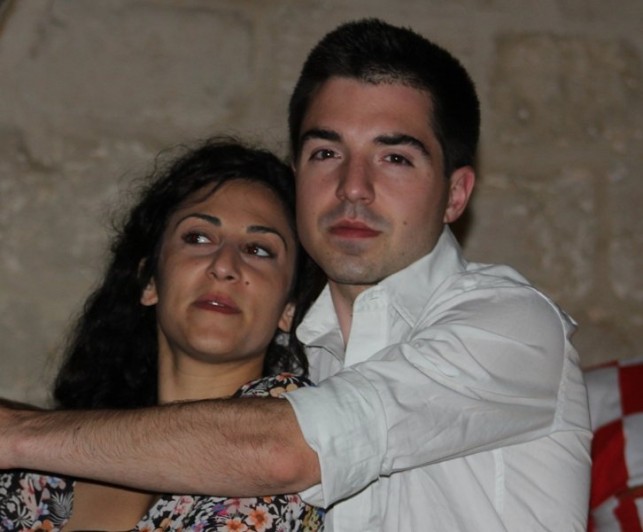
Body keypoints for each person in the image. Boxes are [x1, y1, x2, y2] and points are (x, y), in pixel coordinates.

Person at [0, 18, 592, 531]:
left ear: (456, 194)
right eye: (326, 153)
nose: (353, 188)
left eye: (394, 158)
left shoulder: (512, 326)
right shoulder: (311, 358)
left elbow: (285, 450)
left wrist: (18, 435)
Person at [0, 137, 325, 531]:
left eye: (258, 249)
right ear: (150, 281)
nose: (224, 265)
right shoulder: (41, 477)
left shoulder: (298, 431)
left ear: (290, 307)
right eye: (198, 238)